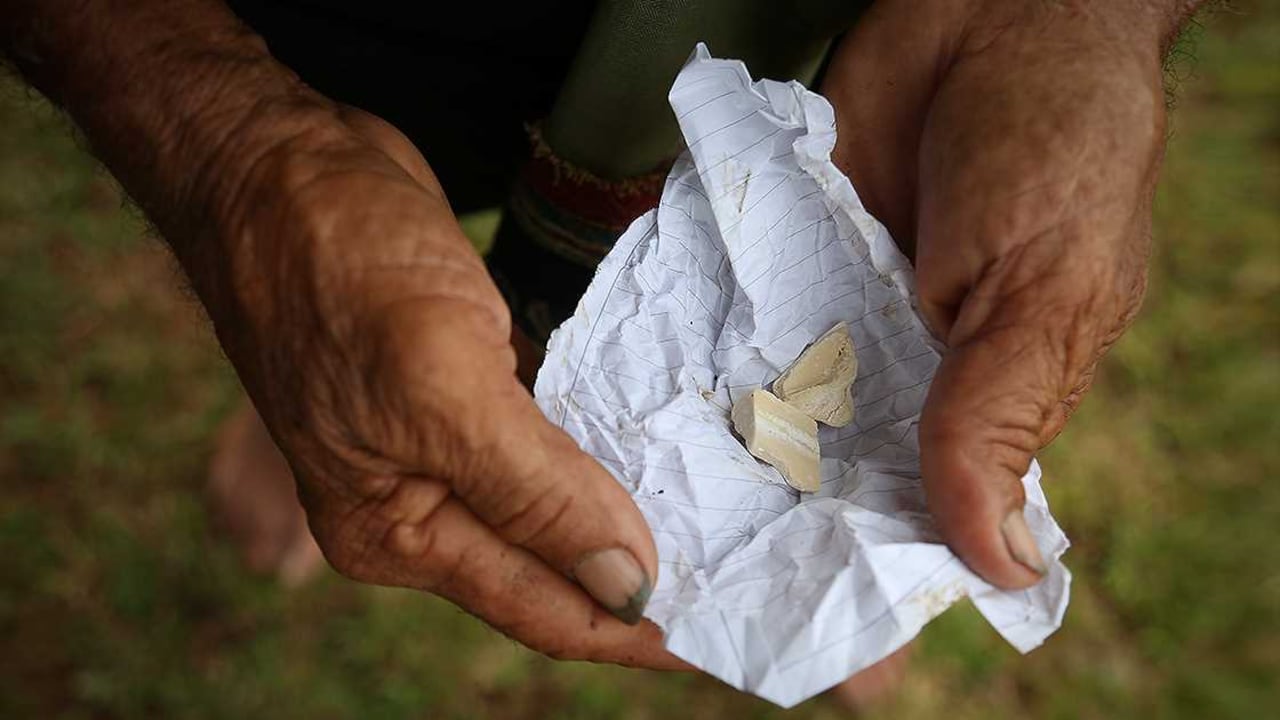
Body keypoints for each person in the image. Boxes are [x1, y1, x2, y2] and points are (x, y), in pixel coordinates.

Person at [2, 0, 1200, 690]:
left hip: (804, 26)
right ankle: (325, 402)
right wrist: (223, 150)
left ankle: (848, 586)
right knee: (363, 264)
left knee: (789, 225)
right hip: (367, 27)